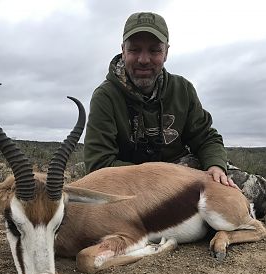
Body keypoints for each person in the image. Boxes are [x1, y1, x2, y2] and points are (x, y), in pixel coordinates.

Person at [84, 12, 266, 219]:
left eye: (154, 50)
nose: (144, 59)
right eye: (134, 49)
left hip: (184, 172)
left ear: (166, 52)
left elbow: (206, 137)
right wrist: (160, 178)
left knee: (254, 195)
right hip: (130, 185)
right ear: (123, 51)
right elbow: (99, 165)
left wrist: (215, 166)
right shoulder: (105, 97)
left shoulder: (182, 89)